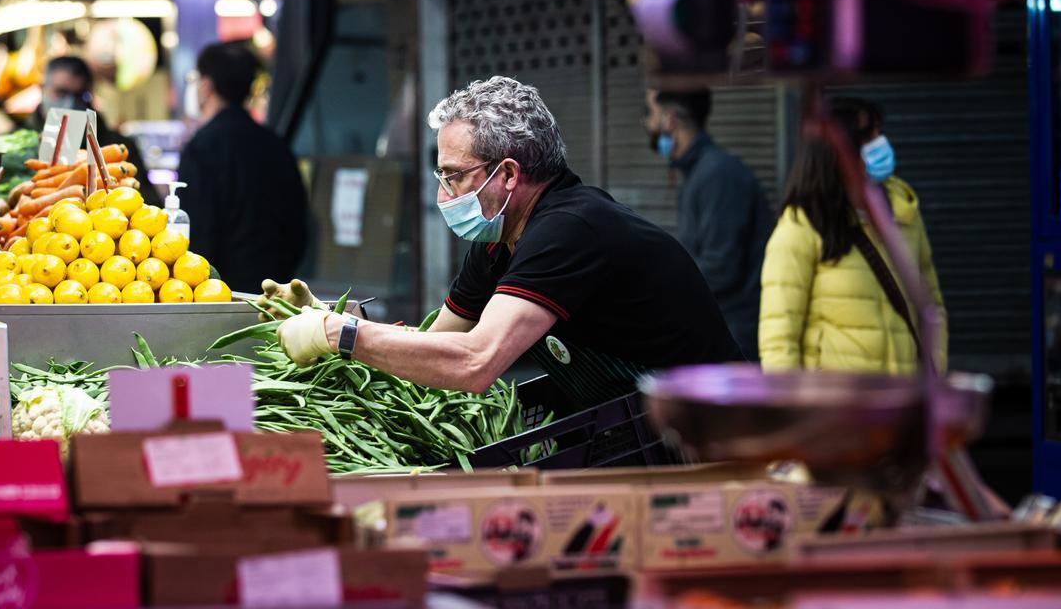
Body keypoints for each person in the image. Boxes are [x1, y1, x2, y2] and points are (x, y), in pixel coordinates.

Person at [264, 76, 742, 407]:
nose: (441, 195)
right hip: (637, 424)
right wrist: (344, 316)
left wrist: (341, 336)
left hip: (705, 433)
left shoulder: (570, 229)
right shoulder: (498, 243)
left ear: (508, 174)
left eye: (453, 177)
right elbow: (437, 348)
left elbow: (474, 363)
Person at [758, 97, 947, 373]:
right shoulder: (802, 225)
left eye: (880, 133)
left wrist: (934, 378)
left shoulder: (903, 212)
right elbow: (779, 338)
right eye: (868, 137)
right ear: (836, 151)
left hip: (899, 402)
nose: (880, 144)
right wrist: (794, 409)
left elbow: (932, 309)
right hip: (837, 406)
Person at [646, 88, 773, 360]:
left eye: (651, 114)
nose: (648, 124)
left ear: (669, 120)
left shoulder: (717, 175)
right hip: (723, 331)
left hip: (738, 339)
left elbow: (720, 269)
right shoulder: (699, 172)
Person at [178, 43, 308, 290]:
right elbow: (298, 225)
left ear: (206, 86)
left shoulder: (201, 148)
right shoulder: (276, 145)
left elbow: (197, 232)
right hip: (275, 290)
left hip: (218, 295)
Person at [31, 56, 162, 208]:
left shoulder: (119, 148)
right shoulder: (19, 145)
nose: (69, 103)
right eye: (61, 93)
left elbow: (148, 204)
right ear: (42, 89)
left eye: (79, 96)